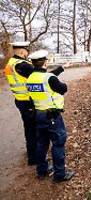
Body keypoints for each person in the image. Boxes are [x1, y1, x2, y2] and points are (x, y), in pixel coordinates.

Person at [26, 49, 74, 182]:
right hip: (52, 116)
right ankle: (60, 174)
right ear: (45, 63)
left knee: (41, 143)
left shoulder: (30, 78)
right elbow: (63, 88)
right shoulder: (49, 78)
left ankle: (42, 170)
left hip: (38, 115)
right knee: (58, 143)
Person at [4, 41, 37, 165]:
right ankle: (33, 157)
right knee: (32, 129)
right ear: (23, 51)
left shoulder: (10, 63)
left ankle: (32, 152)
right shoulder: (22, 65)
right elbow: (41, 77)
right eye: (26, 52)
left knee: (28, 127)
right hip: (28, 101)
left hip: (19, 99)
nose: (27, 54)